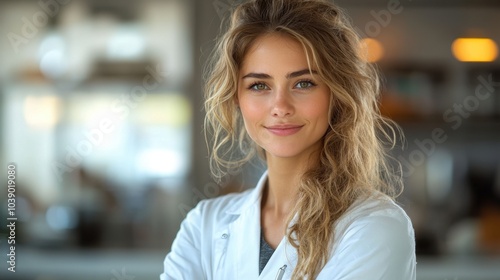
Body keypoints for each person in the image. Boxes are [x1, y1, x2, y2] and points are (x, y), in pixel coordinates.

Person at [160, 0, 416, 279]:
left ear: (337, 94)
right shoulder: (203, 225)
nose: (280, 106)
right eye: (259, 85)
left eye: (303, 83)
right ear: (237, 98)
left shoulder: (375, 226)